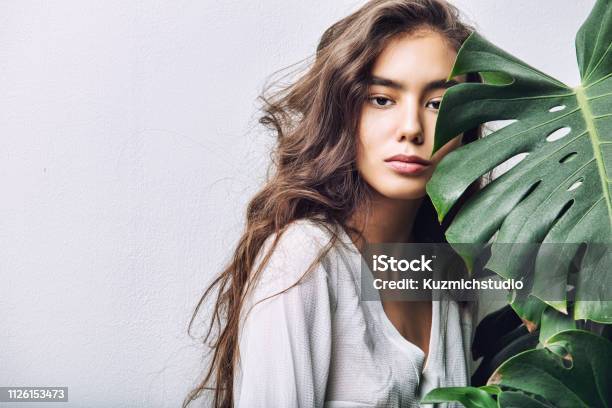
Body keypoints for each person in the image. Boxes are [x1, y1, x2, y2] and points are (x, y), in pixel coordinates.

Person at [185, 0, 482, 407]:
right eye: (381, 99)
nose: (411, 128)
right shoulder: (302, 260)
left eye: (438, 104)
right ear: (341, 110)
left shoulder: (448, 275)